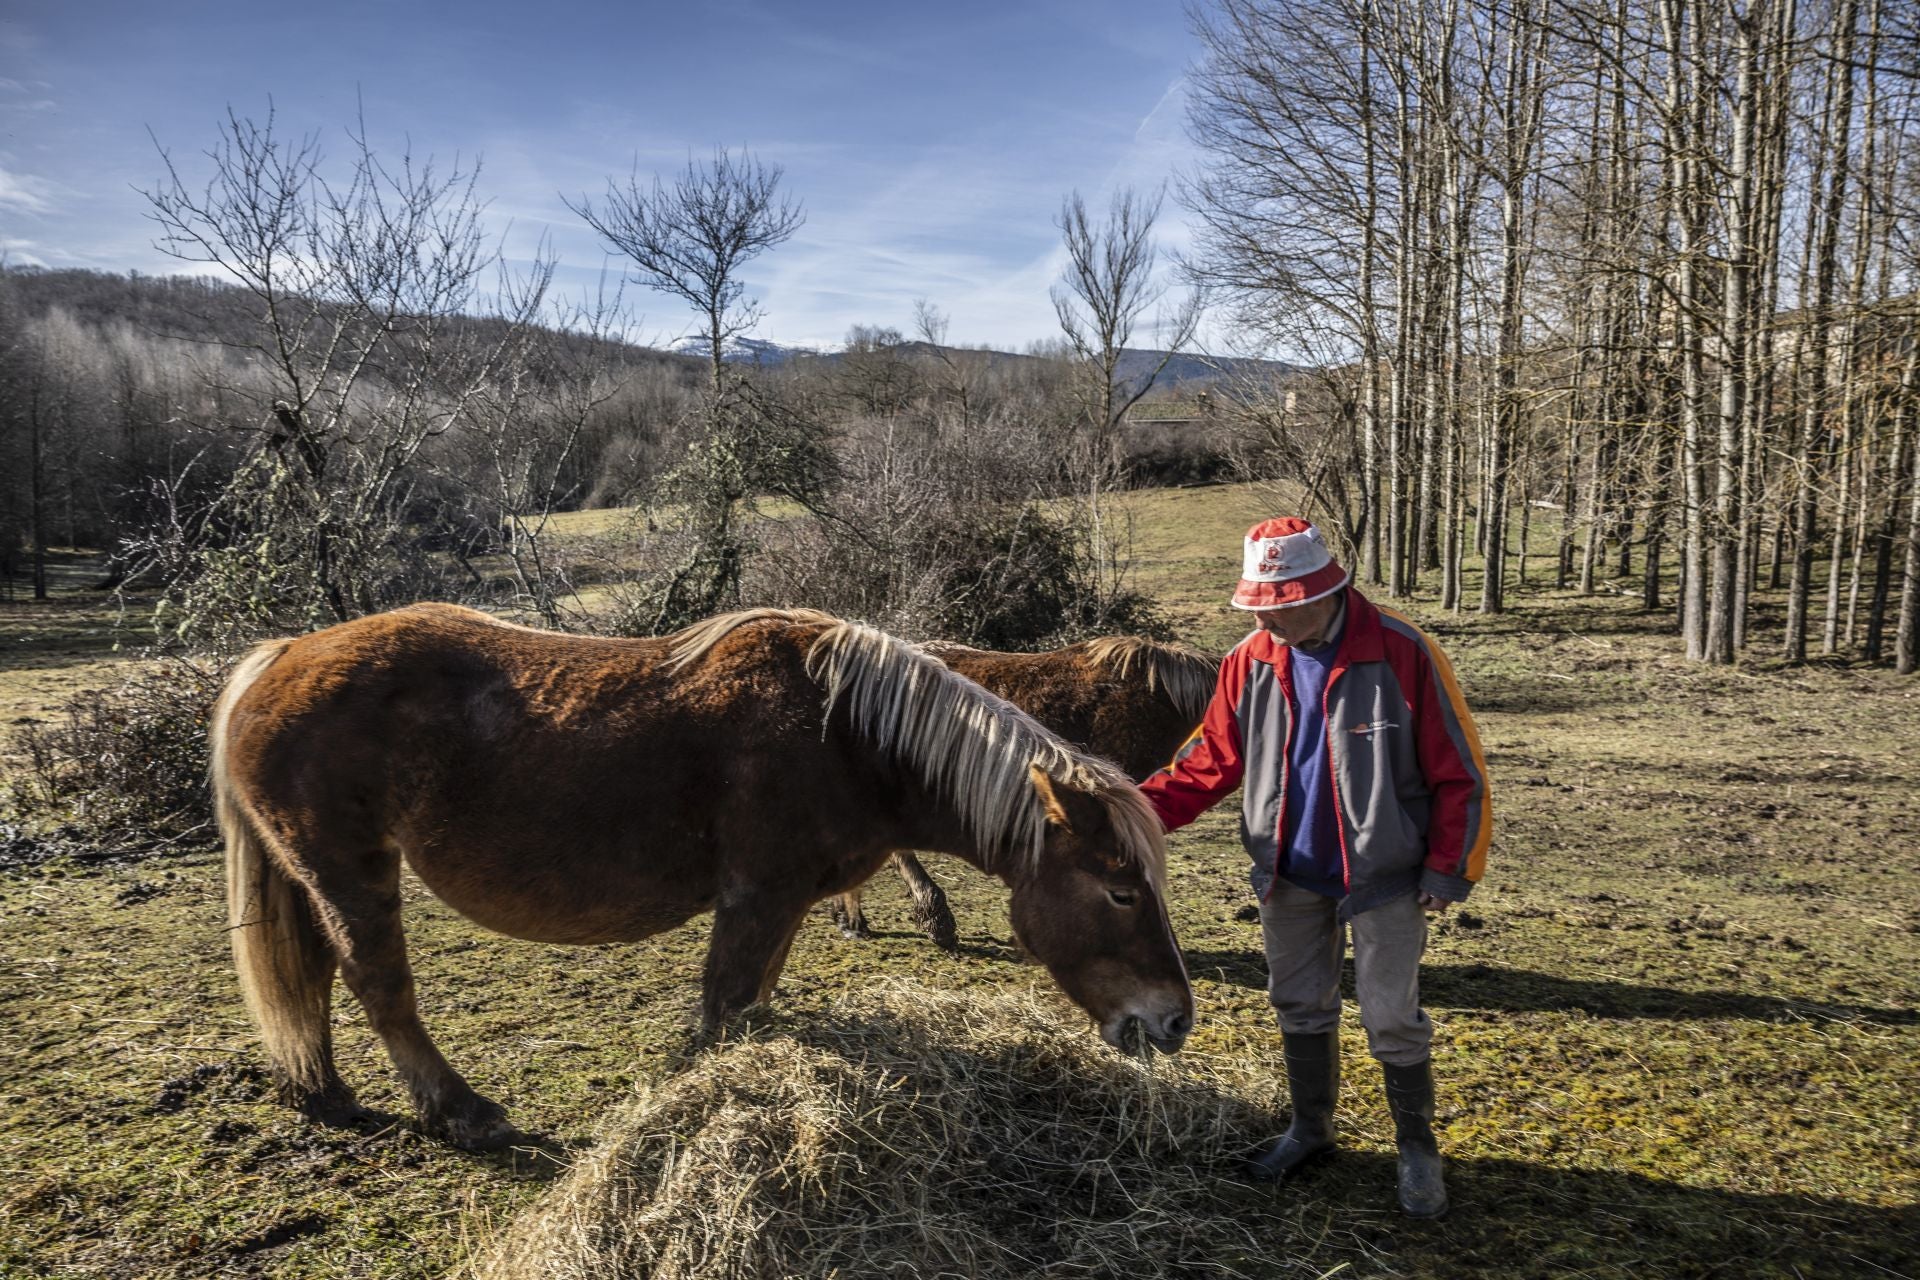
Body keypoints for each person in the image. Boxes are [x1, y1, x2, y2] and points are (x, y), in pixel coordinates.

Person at [1139, 517, 1491, 1219]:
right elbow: (1209, 761)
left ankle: (1417, 1150)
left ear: (1321, 592)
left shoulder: (1402, 651)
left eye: (1277, 606)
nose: (1265, 619)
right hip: (1288, 871)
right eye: (1257, 606)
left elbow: (1460, 769)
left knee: (1391, 1017)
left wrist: (1449, 867)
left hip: (1387, 875)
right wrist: (1128, 815)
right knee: (1298, 1003)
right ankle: (1310, 1129)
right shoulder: (1249, 660)